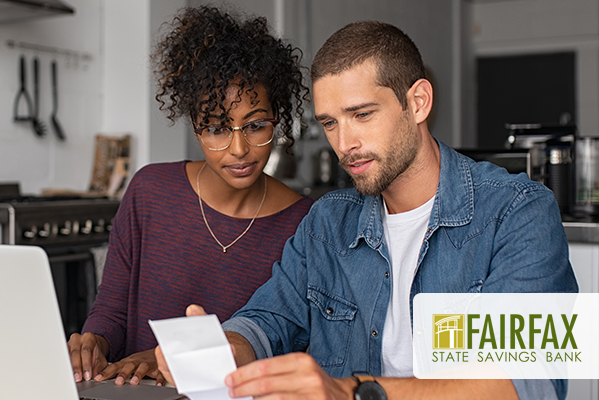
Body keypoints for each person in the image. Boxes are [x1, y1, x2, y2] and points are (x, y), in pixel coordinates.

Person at [156, 20, 578, 399]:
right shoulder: (327, 222)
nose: (344, 143)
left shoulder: (517, 212)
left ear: (418, 103)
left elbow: (529, 384)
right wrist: (226, 346)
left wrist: (352, 392)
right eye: (330, 122)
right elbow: (268, 319)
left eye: (361, 114)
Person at [68, 5, 314, 387]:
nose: (238, 149)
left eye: (255, 125)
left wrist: (167, 360)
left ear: (276, 121)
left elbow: (287, 344)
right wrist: (94, 342)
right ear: (196, 129)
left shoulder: (304, 223)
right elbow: (112, 311)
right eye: (216, 128)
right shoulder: (149, 192)